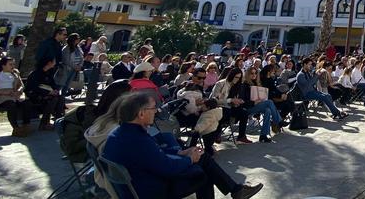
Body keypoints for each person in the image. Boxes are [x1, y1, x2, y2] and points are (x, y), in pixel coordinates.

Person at [102, 91, 263, 199]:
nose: (157, 111)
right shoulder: (137, 139)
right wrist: (189, 159)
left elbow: (154, 158)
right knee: (202, 172)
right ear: (141, 113)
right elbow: (167, 167)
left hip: (137, 184)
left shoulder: (121, 133)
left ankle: (236, 190)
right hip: (151, 190)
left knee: (202, 160)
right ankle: (236, 191)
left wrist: (182, 153)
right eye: (153, 109)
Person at [0, 57, 31, 137]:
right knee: (11, 104)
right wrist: (4, 92)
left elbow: (21, 85)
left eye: (13, 64)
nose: (13, 66)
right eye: (10, 64)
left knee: (26, 102)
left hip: (14, 94)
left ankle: (26, 126)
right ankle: (16, 128)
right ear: (3, 66)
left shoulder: (15, 74)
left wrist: (18, 91)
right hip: (0, 96)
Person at [210, 69, 253, 144]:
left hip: (230, 107)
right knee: (225, 111)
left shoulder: (237, 85)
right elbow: (214, 100)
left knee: (244, 113)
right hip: (218, 106)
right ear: (231, 76)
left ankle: (241, 137)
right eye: (236, 77)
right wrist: (231, 100)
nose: (237, 79)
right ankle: (217, 134)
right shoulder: (221, 83)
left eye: (239, 78)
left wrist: (237, 101)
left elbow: (235, 99)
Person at [241, 66, 283, 141]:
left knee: (268, 110)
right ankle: (278, 121)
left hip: (257, 106)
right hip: (247, 108)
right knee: (270, 102)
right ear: (248, 74)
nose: (254, 75)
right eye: (252, 73)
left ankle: (263, 136)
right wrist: (254, 102)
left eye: (255, 73)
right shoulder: (245, 85)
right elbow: (243, 101)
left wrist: (262, 98)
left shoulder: (257, 83)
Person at [25, 57, 63, 130]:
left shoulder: (48, 72)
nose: (55, 64)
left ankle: (58, 121)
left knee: (60, 98)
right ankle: (44, 123)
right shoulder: (35, 74)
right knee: (53, 99)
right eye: (54, 62)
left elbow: (53, 84)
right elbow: (33, 87)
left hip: (47, 94)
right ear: (49, 63)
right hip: (36, 95)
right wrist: (48, 93)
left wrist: (55, 90)